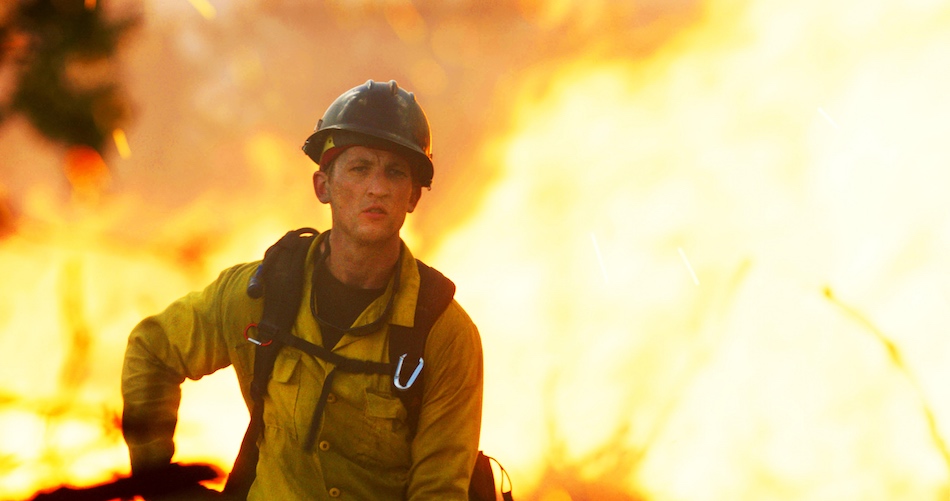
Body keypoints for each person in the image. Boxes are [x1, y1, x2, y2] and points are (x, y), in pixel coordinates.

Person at [121, 80, 484, 500]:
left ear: (413, 197)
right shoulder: (261, 295)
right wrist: (158, 485)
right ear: (322, 186)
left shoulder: (442, 334)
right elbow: (153, 348)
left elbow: (439, 490)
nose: (378, 188)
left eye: (395, 172)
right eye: (360, 167)